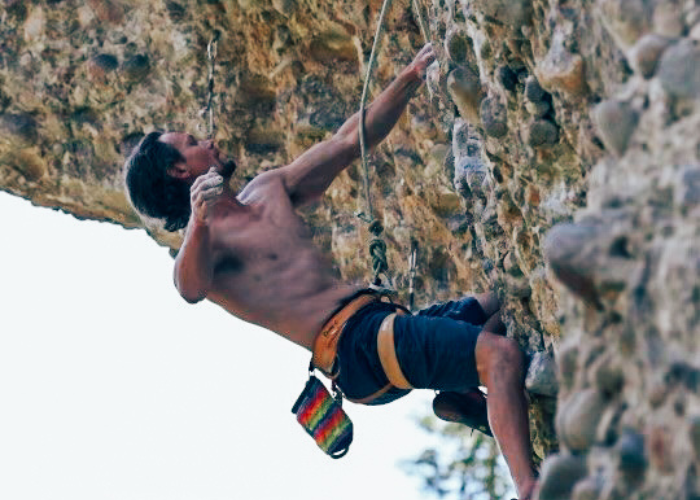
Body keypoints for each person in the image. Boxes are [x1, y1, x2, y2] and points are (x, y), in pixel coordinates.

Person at [123, 43, 537, 499]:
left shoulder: (268, 190)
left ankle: (458, 395)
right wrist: (198, 221)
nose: (208, 142)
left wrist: (412, 75)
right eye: (192, 144)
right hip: (356, 347)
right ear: (181, 170)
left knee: (507, 302)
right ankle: (529, 487)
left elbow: (347, 141)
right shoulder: (207, 249)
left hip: (380, 328)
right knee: (501, 356)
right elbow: (188, 288)